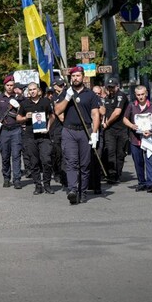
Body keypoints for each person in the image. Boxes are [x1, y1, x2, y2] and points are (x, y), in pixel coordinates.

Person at [55, 66, 101, 204]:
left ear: (83, 76)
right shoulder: (66, 93)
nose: (75, 78)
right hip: (69, 131)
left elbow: (95, 114)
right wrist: (67, 98)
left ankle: (83, 191)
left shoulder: (90, 94)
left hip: (85, 131)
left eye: (78, 75)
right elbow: (57, 111)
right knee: (71, 162)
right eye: (73, 76)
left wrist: (94, 133)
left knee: (85, 164)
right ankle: (72, 190)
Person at [17, 82, 55, 195]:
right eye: (30, 90)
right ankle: (38, 185)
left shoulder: (45, 101)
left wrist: (48, 127)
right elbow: (18, 118)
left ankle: (47, 184)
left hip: (44, 136)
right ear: (28, 92)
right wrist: (25, 117)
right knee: (33, 162)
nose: (32, 91)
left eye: (34, 89)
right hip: (30, 136)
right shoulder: (24, 104)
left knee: (46, 160)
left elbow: (52, 116)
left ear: (38, 90)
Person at [123, 85, 152, 192]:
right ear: (135, 95)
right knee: (138, 162)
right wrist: (131, 126)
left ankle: (151, 183)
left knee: (150, 161)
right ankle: (142, 182)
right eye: (138, 95)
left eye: (142, 94)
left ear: (146, 94)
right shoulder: (131, 106)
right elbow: (125, 119)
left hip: (149, 139)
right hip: (135, 139)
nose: (140, 97)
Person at [0, 75, 23, 189]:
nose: (10, 87)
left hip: (16, 129)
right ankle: (6, 178)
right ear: (4, 86)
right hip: (4, 131)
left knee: (16, 155)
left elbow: (25, 111)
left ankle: (17, 179)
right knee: (5, 155)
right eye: (8, 85)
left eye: (12, 85)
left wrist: (19, 105)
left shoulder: (19, 98)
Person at [102, 77, 129, 184]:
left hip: (121, 129)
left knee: (120, 153)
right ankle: (112, 174)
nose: (111, 89)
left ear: (117, 86)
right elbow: (104, 112)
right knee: (110, 151)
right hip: (110, 131)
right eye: (109, 87)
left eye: (112, 87)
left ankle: (118, 173)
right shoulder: (107, 98)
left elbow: (117, 113)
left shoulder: (121, 96)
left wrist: (107, 123)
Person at [50, 78, 66, 186]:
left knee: (65, 153)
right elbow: (57, 116)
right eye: (59, 85)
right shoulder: (53, 98)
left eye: (63, 85)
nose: (62, 87)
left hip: (65, 128)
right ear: (54, 86)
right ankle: (57, 172)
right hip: (56, 129)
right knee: (57, 153)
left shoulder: (66, 96)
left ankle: (64, 175)